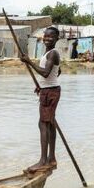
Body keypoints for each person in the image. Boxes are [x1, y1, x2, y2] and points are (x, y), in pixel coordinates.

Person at [20, 27, 61, 172]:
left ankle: (44, 161)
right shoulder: (49, 53)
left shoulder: (53, 53)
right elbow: (57, 72)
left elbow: (45, 73)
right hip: (48, 90)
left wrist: (29, 62)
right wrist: (42, 87)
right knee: (48, 124)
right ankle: (51, 158)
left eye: (51, 37)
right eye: (46, 36)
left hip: (50, 92)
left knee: (44, 124)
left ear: (57, 39)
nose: (47, 39)